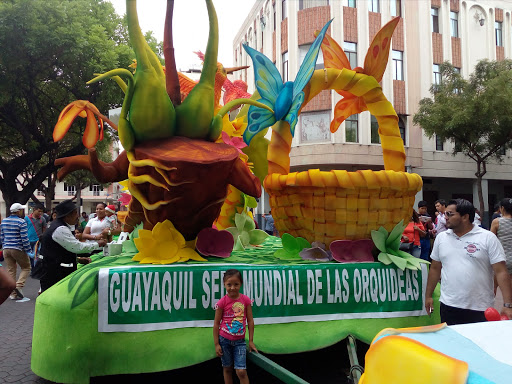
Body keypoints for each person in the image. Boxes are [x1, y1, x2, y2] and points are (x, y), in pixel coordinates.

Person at [425, 199, 512, 325]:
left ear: (465, 217)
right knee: (452, 342)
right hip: (448, 305)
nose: (445, 217)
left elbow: (501, 272)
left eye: (450, 214)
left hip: (480, 307)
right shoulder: (441, 238)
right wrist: (428, 296)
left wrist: (507, 304)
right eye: (445, 214)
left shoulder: (487, 238)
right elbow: (435, 268)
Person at [39, 200, 107, 292]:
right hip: (54, 274)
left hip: (54, 270)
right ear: (67, 216)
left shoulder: (60, 226)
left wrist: (77, 260)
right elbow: (76, 247)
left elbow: (60, 251)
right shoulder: (60, 229)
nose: (77, 217)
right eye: (75, 213)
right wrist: (98, 244)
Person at [213, 269, 257, 384]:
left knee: (241, 371)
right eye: (229, 284)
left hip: (240, 342)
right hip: (224, 340)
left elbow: (250, 321)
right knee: (227, 368)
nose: (232, 287)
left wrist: (251, 341)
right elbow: (216, 323)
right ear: (224, 285)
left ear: (241, 284)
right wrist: (217, 344)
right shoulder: (222, 302)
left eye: (236, 284)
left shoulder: (245, 300)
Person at [1, 203, 32, 300]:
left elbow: (2, 237)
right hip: (18, 248)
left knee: (11, 270)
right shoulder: (21, 222)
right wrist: (29, 250)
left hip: (6, 248)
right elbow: (24, 238)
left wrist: (4, 246)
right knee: (26, 267)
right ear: (19, 211)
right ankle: (19, 286)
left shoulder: (4, 221)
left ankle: (13, 294)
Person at [491, 198, 512, 277]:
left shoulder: (497, 222)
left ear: (502, 208)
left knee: (495, 285)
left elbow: (491, 239)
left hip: (502, 258)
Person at [25, 203, 46, 268]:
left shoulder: (42, 219)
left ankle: (35, 269)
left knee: (37, 255)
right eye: (39, 211)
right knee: (29, 256)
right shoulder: (27, 218)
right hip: (29, 240)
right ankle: (31, 268)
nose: (40, 213)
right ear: (34, 210)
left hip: (37, 240)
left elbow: (44, 229)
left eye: (41, 211)